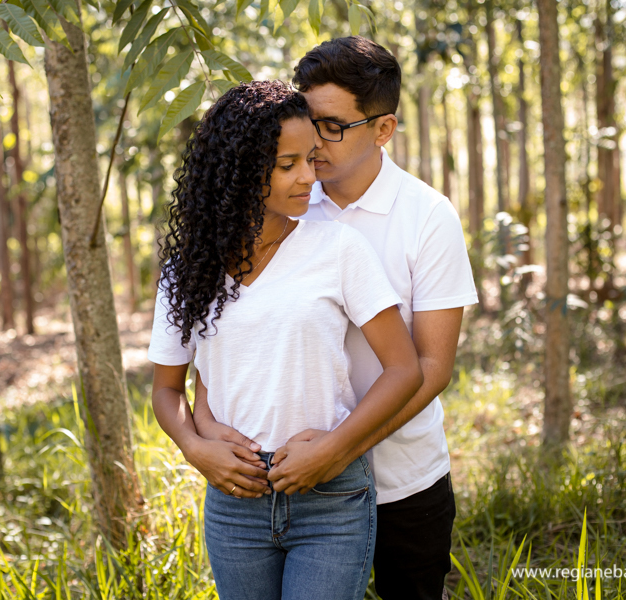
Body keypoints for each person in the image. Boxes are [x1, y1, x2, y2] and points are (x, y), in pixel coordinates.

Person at [192, 38, 479, 600]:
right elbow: (221, 330)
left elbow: (432, 366)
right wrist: (203, 425)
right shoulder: (286, 200)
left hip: (402, 479)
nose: (313, 142)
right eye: (306, 119)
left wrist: (339, 449)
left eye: (331, 126)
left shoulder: (427, 218)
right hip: (286, 489)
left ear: (383, 128)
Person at [148, 80, 424, 600]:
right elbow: (167, 389)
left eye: (312, 159)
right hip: (234, 502)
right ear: (241, 171)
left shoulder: (337, 247)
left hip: (331, 498)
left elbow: (404, 369)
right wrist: (194, 447)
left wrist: (338, 450)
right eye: (287, 164)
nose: (308, 177)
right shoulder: (188, 273)